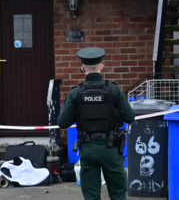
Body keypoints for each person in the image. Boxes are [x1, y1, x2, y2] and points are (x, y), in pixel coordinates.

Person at [58, 47, 135, 200]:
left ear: (82, 68)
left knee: (91, 195)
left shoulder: (76, 93)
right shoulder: (113, 90)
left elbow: (62, 122)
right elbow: (130, 117)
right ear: (101, 66)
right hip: (111, 149)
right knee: (118, 193)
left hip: (88, 149)